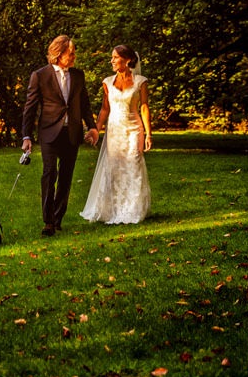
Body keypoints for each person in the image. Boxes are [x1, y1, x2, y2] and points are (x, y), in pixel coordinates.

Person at [22, 35, 100, 236]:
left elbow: (84, 105)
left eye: (73, 53)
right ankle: (48, 221)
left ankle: (57, 218)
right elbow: (30, 108)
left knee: (66, 177)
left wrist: (92, 127)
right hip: (49, 132)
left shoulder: (78, 75)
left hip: (72, 132)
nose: (73, 56)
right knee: (50, 174)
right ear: (58, 53)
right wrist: (26, 136)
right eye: (70, 53)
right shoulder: (40, 76)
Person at [80, 45, 152, 224]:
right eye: (111, 57)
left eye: (115, 57)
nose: (111, 60)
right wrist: (95, 129)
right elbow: (105, 108)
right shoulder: (107, 82)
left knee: (133, 163)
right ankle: (113, 209)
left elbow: (144, 107)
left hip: (134, 129)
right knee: (115, 167)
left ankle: (133, 210)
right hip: (114, 130)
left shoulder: (141, 81)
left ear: (127, 60)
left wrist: (149, 134)